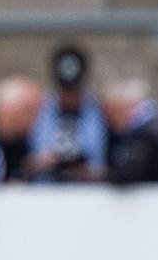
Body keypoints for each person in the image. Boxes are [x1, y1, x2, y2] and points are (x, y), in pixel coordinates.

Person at [25, 43, 107, 183]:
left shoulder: (101, 110)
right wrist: (42, 162)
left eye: (73, 91)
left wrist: (86, 169)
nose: (69, 98)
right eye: (64, 91)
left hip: (89, 194)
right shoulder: (39, 109)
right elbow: (24, 161)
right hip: (47, 192)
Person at [102, 77, 158, 183]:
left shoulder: (150, 134)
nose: (109, 120)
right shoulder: (155, 129)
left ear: (124, 108)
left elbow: (127, 174)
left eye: (112, 113)